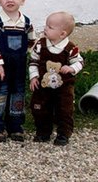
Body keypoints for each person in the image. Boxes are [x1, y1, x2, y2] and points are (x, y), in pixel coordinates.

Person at [0, 0, 36, 142]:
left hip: (19, 67)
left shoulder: (26, 23)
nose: (10, 0)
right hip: (1, 67)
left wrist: (31, 59)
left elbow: (32, 43)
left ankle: (15, 126)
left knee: (17, 95)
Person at [29, 11, 84, 146]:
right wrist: (34, 77)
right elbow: (33, 61)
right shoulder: (40, 44)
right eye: (46, 25)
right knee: (40, 108)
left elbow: (80, 62)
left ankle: (63, 134)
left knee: (64, 110)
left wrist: (71, 68)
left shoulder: (70, 48)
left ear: (62, 34)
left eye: (50, 27)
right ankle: (43, 132)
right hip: (43, 87)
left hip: (63, 89)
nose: (45, 29)